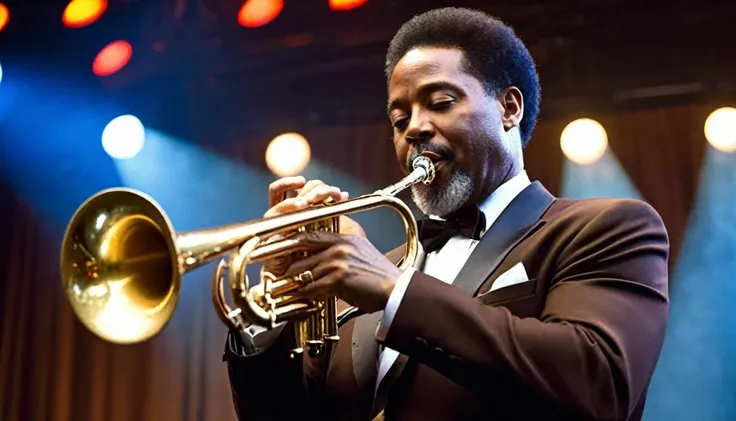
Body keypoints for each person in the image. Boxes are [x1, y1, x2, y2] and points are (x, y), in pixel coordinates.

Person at [223, 7, 669, 421]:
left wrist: (395, 291)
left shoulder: (607, 227)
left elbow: (601, 387)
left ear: (508, 108)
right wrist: (269, 317)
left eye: (440, 103)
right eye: (399, 121)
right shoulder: (379, 271)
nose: (413, 128)